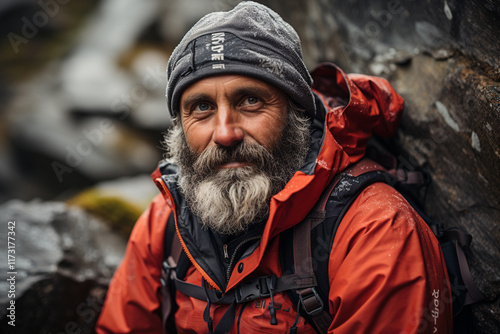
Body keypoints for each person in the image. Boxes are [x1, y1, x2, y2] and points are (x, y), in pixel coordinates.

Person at [96, 2, 453, 333]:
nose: (225, 133)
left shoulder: (375, 229)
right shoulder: (165, 221)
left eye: (250, 100)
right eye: (201, 107)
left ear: (296, 113)